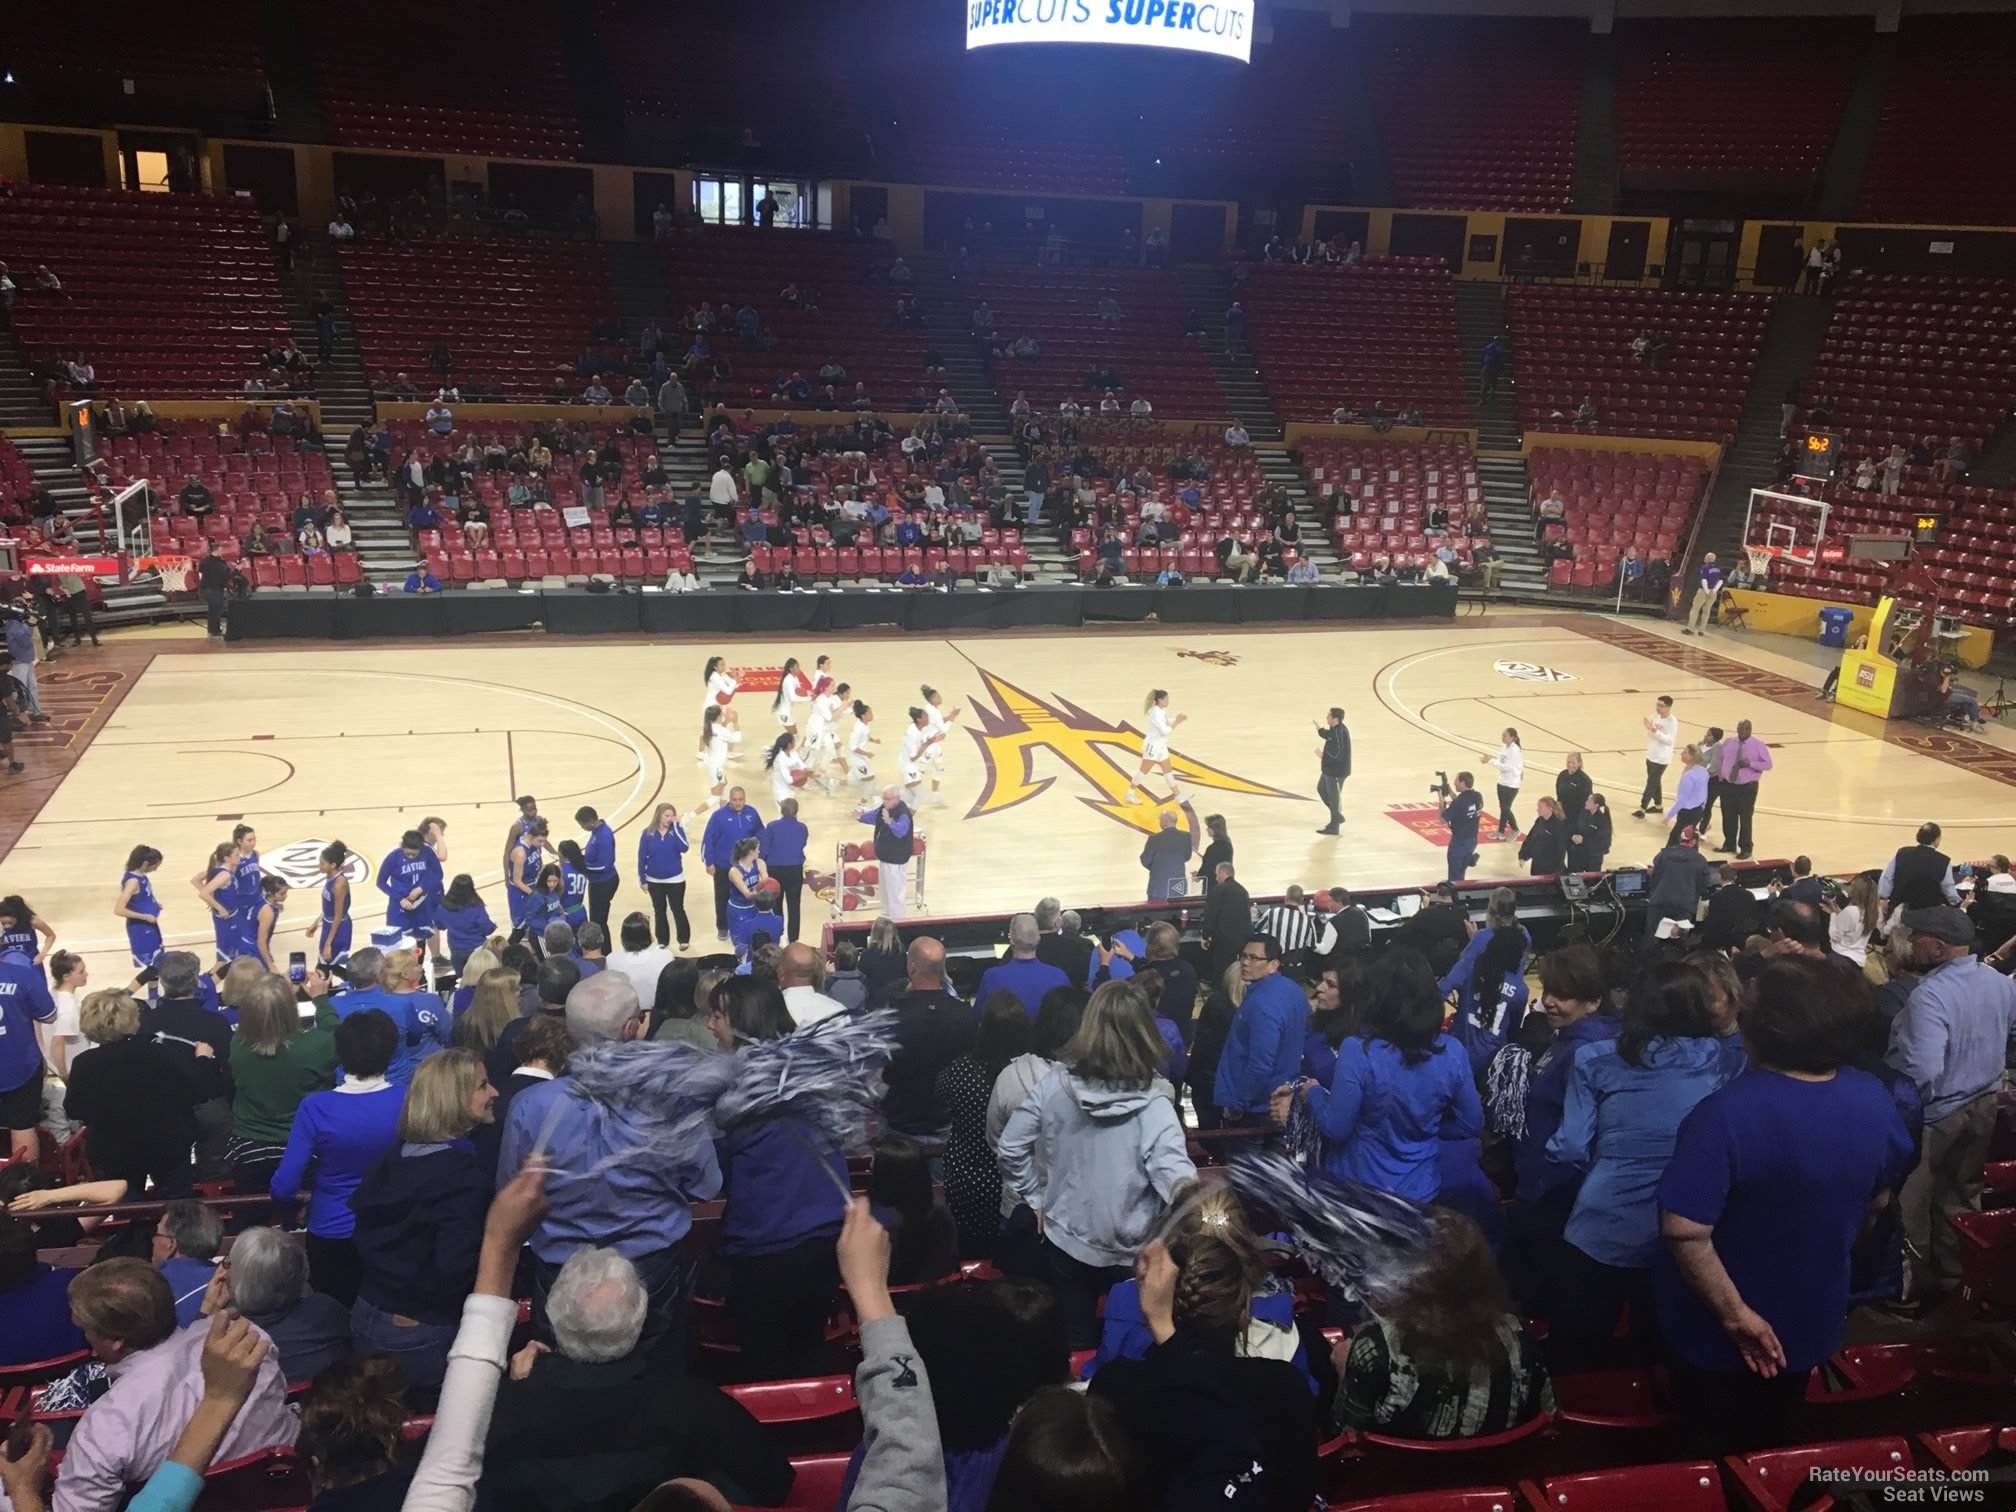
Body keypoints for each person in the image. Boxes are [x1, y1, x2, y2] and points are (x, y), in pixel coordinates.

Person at [1655, 957, 1916, 1444]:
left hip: (1715, 1327)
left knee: (1709, 1439)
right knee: (1775, 1430)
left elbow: (1684, 1228)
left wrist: (1736, 1317)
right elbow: (1878, 1202)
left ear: (1759, 1027)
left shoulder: (1725, 1114)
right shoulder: (1875, 1098)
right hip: (1809, 1309)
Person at [483, 1246, 793, 1512]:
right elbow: (773, 1483)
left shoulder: (496, 1414)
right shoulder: (693, 1405)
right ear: (640, 1320)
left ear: (551, 1316)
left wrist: (514, 1392)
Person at [1544, 962, 1730, 1372]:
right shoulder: (1721, 1060)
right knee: (1661, 1360)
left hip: (1600, 1226)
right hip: (1685, 1231)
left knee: (1574, 1362)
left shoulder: (1595, 1058)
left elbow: (1570, 1147)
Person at [999, 981, 1197, 1347]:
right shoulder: (1154, 1106)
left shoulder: (1054, 1084)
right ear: (1143, 1034)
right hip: (1134, 1253)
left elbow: (1010, 1146)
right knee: (1135, 1348)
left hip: (1065, 1243)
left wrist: (1035, 1198)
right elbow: (1177, 1176)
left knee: (1078, 1343)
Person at [32, 1262, 296, 1512]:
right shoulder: (245, 1343)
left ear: (116, 1341)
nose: (86, 1339)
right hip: (280, 1497)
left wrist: (23, 1487)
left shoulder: (107, 1424)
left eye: (86, 1330)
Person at [704, 976, 849, 1380]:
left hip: (765, 1247)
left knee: (765, 1367)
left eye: (717, 1015)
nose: (711, 1025)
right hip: (826, 1235)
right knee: (810, 1352)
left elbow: (709, 1174)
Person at [1885, 905, 2016, 1311]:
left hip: (1935, 1113)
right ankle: (1959, 1278)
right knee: (1962, 1194)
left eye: (1918, 937)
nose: (1912, 943)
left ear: (1938, 948)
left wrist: (1907, 1108)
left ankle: (1907, 1290)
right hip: (1983, 1105)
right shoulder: (1997, 981)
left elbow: (1924, 1067)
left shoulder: (1930, 995)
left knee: (1909, 1203)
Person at [1277, 951, 1480, 1206]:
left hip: (1358, 1192)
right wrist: (1424, 1129)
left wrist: (1313, 1093)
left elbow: (1336, 1127)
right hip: (1420, 1192)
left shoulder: (1357, 1050)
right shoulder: (1453, 1052)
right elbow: (1471, 1124)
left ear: (1378, 998)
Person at [346, 1048, 496, 1387]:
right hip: (420, 1330)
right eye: (483, 1086)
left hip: (366, 1313)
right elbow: (455, 1270)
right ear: (453, 1099)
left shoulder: (393, 1158)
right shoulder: (461, 1176)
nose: (494, 1093)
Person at [1331, 1210, 1552, 1439]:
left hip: (1401, 1474)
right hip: (1498, 1472)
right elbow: (1547, 1426)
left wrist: (1344, 1372)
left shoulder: (1376, 1345)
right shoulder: (1517, 1336)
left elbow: (1347, 1443)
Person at [62, 990, 199, 1200]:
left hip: (114, 1152)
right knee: (178, 1209)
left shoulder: (84, 1063)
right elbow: (189, 1091)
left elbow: (74, 1108)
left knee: (126, 1211)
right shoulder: (157, 1053)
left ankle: (133, 1232)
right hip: (165, 1145)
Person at [223, 1225, 353, 1387]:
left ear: (239, 1279)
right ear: (299, 1270)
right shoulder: (327, 1309)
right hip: (324, 1404)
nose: (224, 1271)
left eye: (228, 1264)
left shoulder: (223, 1333)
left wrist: (206, 1313)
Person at [1213, 935, 1310, 1127]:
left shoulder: (1261, 1005)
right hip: (1281, 1099)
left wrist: (1236, 1105)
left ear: (1274, 964)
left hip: (1257, 1110)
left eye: (1254, 958)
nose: (1245, 963)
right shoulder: (1292, 989)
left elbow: (1260, 1065)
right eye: (1243, 956)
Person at [0, 940, 55, 1164]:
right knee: (22, 1125)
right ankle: (23, 1190)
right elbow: (49, 1015)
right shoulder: (21, 974)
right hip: (20, 1065)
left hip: (21, 1064)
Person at [977, 914, 1072, 1021]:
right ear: (1038, 938)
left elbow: (979, 1017)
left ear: (1011, 939)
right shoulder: (1060, 977)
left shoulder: (992, 977)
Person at [701, 788, 763, 944]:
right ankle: (722, 927)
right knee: (722, 896)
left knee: (747, 894)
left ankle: (750, 924)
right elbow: (708, 839)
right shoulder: (718, 816)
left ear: (745, 798)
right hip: (723, 865)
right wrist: (709, 862)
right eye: (735, 800)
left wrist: (761, 856)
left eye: (741, 799)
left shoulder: (752, 813)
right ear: (729, 799)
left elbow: (761, 833)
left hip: (746, 866)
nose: (738, 803)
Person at [636, 801, 692, 951]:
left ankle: (683, 938)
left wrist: (678, 827)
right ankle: (662, 940)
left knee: (678, 909)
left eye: (672, 815)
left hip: (675, 879)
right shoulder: (647, 833)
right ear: (659, 816)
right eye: (667, 815)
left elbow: (684, 848)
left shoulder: (676, 832)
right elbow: (641, 857)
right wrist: (642, 879)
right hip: (654, 880)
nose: (670, 818)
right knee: (659, 910)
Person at [1715, 720, 1772, 861]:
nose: (1743, 731)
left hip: (1747, 786)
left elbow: (1768, 764)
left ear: (1750, 729)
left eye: (1746, 729)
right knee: (1728, 814)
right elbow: (1721, 758)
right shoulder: (1729, 742)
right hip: (1729, 784)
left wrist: (1751, 764)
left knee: (1745, 817)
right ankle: (1729, 843)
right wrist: (1721, 775)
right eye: (1740, 728)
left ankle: (1746, 848)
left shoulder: (1758, 745)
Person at [859, 785, 917, 921]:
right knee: (885, 896)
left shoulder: (902, 813)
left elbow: (901, 831)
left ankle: (898, 924)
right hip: (885, 859)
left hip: (896, 862)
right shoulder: (885, 808)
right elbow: (874, 816)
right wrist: (861, 817)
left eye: (888, 798)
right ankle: (885, 922)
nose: (885, 801)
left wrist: (890, 822)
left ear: (897, 798)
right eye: (883, 798)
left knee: (895, 897)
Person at [1646, 825, 1714, 941]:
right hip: (1684, 906)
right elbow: (1704, 886)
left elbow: (1654, 876)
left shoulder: (1664, 854)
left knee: (1651, 939)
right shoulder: (1700, 860)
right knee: (1679, 942)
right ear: (1693, 841)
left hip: (1659, 903)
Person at [1635, 695, 1678, 819]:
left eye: (1661, 706)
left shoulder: (1672, 722)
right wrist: (1650, 730)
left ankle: (1643, 808)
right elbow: (1650, 734)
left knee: (1651, 782)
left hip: (1662, 758)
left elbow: (1669, 741)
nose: (1658, 708)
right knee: (1655, 781)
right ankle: (1658, 806)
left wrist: (1655, 731)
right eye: (1657, 705)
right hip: (1651, 754)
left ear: (1669, 707)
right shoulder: (1654, 716)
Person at [1439, 771, 1484, 882]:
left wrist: (1441, 799)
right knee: (1461, 872)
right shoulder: (1477, 796)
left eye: (1456, 780)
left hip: (1459, 843)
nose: (1454, 783)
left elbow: (1442, 820)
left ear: (1463, 782)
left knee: (1455, 877)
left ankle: (1455, 896)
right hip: (1472, 841)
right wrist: (1449, 790)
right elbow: (1461, 802)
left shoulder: (1459, 803)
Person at [1315, 707, 1351, 835]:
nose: (1327, 718)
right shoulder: (1334, 729)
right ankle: (1336, 816)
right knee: (1321, 789)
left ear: (1335, 718)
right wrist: (1319, 730)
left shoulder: (1340, 732)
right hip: (1329, 770)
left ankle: (1334, 825)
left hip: (1337, 773)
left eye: (1329, 716)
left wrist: (1323, 755)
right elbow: (1329, 736)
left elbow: (1338, 755)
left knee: (1334, 798)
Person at [1519, 797, 1568, 876]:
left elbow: (1560, 849)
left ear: (1550, 808)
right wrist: (1523, 855)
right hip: (1537, 864)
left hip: (1551, 868)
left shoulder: (1559, 825)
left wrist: (1555, 869)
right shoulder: (1539, 821)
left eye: (1540, 807)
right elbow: (1530, 838)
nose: (1537, 809)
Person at [1565, 792, 1610, 872]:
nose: (1586, 802)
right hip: (1578, 855)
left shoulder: (1603, 821)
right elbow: (1573, 827)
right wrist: (1572, 835)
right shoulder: (1582, 814)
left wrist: (1584, 840)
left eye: (1589, 801)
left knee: (1591, 882)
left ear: (1596, 805)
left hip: (1592, 858)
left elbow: (1603, 844)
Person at [1683, 553, 1723, 635]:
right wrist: (1714, 590)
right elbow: (1720, 581)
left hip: (1703, 590)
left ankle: (1690, 628)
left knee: (1695, 609)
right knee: (1706, 611)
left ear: (1708, 558)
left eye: (1705, 557)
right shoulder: (1718, 568)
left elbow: (1704, 580)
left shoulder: (1705, 567)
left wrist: (1707, 591)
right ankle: (1702, 630)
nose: (1704, 558)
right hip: (1713, 592)